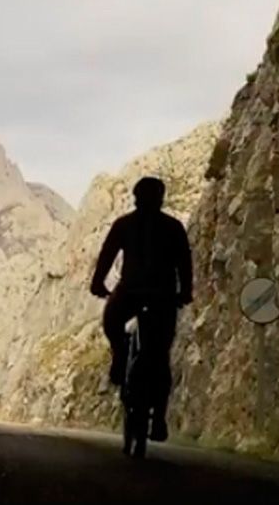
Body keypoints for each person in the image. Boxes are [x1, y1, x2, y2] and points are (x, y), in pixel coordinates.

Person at [89, 176, 193, 442]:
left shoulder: (124, 224)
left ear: (136, 198)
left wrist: (98, 283)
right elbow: (185, 264)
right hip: (163, 297)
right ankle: (158, 418)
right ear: (161, 198)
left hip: (130, 292)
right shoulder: (174, 227)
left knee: (112, 322)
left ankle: (119, 354)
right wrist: (186, 292)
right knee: (160, 356)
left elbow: (107, 255)